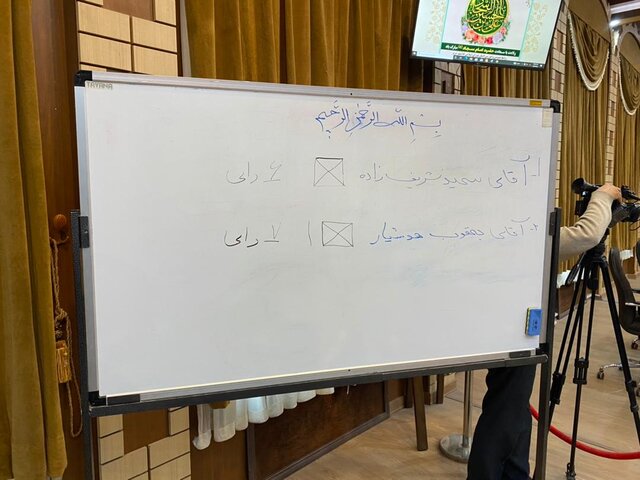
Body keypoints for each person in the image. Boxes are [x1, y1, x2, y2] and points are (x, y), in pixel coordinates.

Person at [466, 184, 623, 480]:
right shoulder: (519, 231)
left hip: (512, 324)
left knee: (513, 405)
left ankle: (515, 473)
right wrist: (603, 196)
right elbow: (587, 235)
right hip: (516, 328)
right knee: (505, 409)